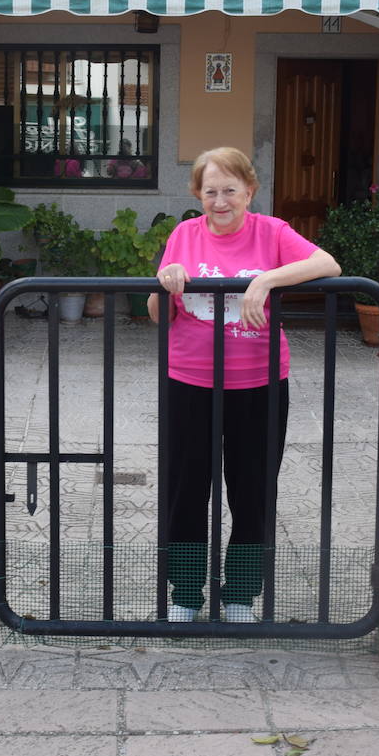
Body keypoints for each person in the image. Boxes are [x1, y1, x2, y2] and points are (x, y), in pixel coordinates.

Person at [148, 147, 341, 622]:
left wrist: (266, 280)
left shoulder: (271, 232)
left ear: (249, 192)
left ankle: (240, 594)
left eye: (230, 191)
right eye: (210, 192)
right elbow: (157, 316)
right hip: (189, 381)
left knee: (252, 490)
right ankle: (186, 592)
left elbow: (328, 264)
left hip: (259, 383)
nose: (220, 202)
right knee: (186, 489)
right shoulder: (184, 235)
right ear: (198, 194)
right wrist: (164, 283)